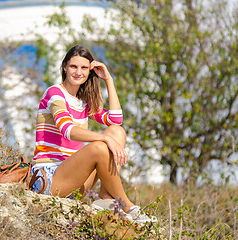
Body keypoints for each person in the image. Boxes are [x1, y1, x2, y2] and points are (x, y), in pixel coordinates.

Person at [31, 45, 156, 224]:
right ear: (64, 66)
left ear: (90, 71)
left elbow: (116, 119)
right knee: (100, 145)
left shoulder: (84, 102)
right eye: (73, 67)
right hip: (50, 178)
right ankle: (126, 205)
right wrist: (104, 139)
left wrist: (108, 79)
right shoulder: (54, 93)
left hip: (76, 179)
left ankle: (105, 197)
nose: (78, 72)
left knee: (116, 132)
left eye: (84, 68)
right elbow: (68, 130)